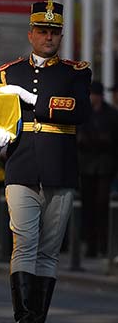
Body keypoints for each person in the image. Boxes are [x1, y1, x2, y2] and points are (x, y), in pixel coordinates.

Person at [0, 0, 91, 323]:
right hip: (22, 167)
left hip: (60, 168)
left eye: (54, 32)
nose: (48, 37)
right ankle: (23, 316)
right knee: (25, 242)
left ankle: (37, 317)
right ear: (30, 33)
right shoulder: (10, 72)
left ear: (60, 36)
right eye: (42, 30)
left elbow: (80, 110)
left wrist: (33, 99)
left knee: (48, 251)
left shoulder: (76, 73)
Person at [77, 81, 118, 257]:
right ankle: (91, 245)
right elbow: (78, 138)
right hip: (87, 165)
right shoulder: (84, 114)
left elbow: (113, 141)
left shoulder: (111, 115)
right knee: (88, 206)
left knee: (102, 205)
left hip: (103, 165)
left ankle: (103, 244)